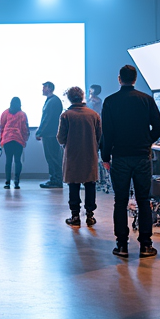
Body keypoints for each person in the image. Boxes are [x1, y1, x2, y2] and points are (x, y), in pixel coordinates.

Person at [100, 65, 160, 258]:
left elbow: (107, 133)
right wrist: (146, 141)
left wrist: (105, 157)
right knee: (143, 200)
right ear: (135, 79)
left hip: (119, 157)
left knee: (120, 201)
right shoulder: (146, 100)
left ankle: (122, 246)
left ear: (119, 79)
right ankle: (146, 245)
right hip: (142, 156)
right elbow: (159, 127)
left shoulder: (110, 101)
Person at [57, 86, 102, 228]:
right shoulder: (94, 115)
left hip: (72, 156)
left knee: (73, 185)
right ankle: (90, 215)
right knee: (90, 184)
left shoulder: (66, 115)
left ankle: (75, 215)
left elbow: (60, 138)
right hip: (90, 154)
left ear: (70, 98)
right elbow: (99, 136)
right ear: (82, 97)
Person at [36, 81, 64, 188]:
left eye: (44, 87)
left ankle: (56, 180)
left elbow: (49, 119)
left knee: (53, 157)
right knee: (51, 157)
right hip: (49, 133)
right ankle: (54, 179)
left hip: (51, 134)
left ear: (49, 88)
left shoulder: (53, 101)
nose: (42, 89)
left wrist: (40, 132)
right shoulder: (51, 100)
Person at [0, 97, 29, 189]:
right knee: (17, 161)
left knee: (8, 161)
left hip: (7, 139)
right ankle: (16, 182)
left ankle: (7, 182)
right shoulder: (22, 114)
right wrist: (25, 139)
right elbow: (25, 128)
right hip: (18, 140)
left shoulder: (5, 113)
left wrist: (1, 140)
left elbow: (2, 127)